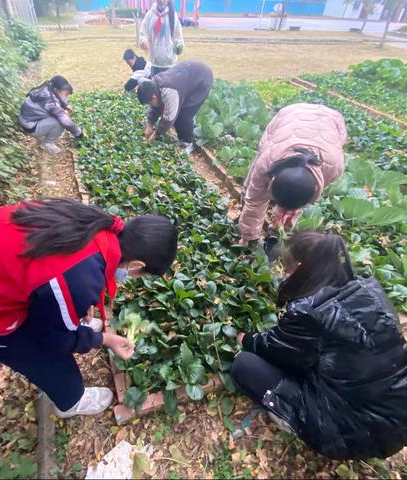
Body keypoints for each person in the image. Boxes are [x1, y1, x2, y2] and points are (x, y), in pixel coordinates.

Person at [0, 199, 178, 418]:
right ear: (135, 265)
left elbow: (53, 278)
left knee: (54, 322)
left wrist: (77, 303)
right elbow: (55, 339)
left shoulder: (94, 224)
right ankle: (71, 400)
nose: (134, 277)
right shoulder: (78, 279)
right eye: (140, 275)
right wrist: (106, 339)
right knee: (32, 348)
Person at [231, 231, 407, 460]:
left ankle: (293, 421)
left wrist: (247, 339)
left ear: (301, 266)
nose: (284, 271)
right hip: (399, 417)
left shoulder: (308, 312)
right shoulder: (370, 289)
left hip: (352, 432)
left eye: (287, 265)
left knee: (245, 365)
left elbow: (274, 349)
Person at [238, 103, 347, 247]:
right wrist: (247, 236)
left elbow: (300, 200)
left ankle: (275, 235)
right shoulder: (267, 161)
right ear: (273, 180)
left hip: (331, 122)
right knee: (253, 186)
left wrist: (278, 232)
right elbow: (255, 199)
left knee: (295, 199)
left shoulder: (332, 167)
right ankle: (244, 215)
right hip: (288, 117)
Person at [137, 60, 213, 155]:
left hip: (201, 79)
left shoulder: (169, 91)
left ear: (154, 97)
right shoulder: (154, 86)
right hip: (187, 75)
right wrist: (149, 125)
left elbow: (169, 119)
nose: (150, 105)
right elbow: (155, 106)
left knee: (184, 115)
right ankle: (184, 137)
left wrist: (156, 134)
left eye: (149, 102)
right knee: (178, 113)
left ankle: (188, 144)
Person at [19, 75, 83, 155]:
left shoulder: (47, 87)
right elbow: (65, 121)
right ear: (56, 89)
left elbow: (54, 98)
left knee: (58, 114)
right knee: (60, 121)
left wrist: (64, 105)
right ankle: (47, 143)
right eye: (65, 94)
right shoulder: (51, 102)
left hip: (27, 119)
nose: (66, 97)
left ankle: (43, 134)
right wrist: (79, 133)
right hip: (30, 126)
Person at [140, 0, 184, 76]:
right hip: (155, 62)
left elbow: (178, 37)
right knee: (155, 86)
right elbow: (143, 33)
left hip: (169, 63)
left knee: (168, 87)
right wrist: (144, 41)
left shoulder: (172, 15)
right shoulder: (150, 14)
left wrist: (179, 47)